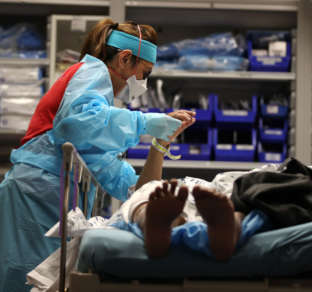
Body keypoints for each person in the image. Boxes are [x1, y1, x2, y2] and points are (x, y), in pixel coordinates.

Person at [0, 18, 195, 292]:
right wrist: (145, 122)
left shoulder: (98, 114)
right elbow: (75, 122)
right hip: (33, 196)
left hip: (49, 200)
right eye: (145, 72)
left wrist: (159, 145)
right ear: (125, 59)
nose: (141, 83)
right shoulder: (91, 72)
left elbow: (133, 188)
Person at [131, 179, 244, 261]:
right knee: (242, 208)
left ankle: (160, 223)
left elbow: (145, 182)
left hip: (173, 196)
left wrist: (158, 149)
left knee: (142, 200)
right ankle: (231, 229)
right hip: (221, 197)